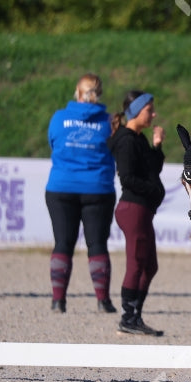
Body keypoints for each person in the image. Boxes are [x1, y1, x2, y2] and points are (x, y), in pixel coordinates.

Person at [45, 73, 117, 314]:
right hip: (98, 189)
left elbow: (53, 144)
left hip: (60, 187)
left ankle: (58, 301)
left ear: (77, 92)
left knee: (62, 243)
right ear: (99, 94)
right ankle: (103, 301)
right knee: (97, 245)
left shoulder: (58, 118)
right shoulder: (109, 122)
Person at [108, 90, 166, 336]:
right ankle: (127, 317)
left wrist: (157, 146)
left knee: (149, 266)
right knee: (136, 265)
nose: (153, 114)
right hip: (133, 209)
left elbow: (153, 168)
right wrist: (154, 190)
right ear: (135, 112)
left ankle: (135, 316)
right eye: (149, 110)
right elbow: (128, 178)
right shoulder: (126, 140)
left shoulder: (139, 139)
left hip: (142, 210)